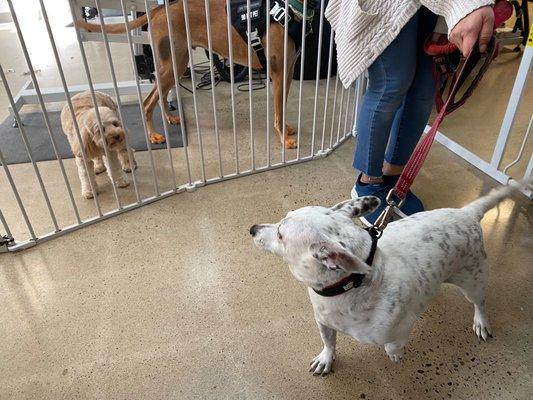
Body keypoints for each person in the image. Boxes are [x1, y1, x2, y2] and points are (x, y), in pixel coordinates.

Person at [325, 0, 495, 225]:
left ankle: (393, 174)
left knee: (424, 89)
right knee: (390, 84)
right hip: (390, 5)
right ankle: (368, 181)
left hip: (437, 11)